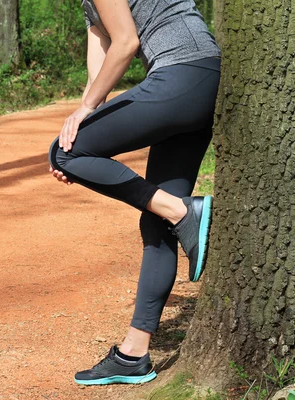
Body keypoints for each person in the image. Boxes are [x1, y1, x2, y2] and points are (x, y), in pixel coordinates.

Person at [48, 0, 221, 386]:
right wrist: (77, 129)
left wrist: (68, 149)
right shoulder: (88, 7)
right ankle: (133, 354)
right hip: (201, 80)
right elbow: (98, 77)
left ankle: (181, 211)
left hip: (182, 75)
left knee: (65, 152)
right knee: (156, 222)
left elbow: (125, 42)